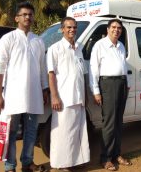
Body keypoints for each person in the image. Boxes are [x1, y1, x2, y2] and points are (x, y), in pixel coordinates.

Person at [0, 2, 48, 172]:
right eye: (24, 14)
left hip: (34, 95)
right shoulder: (8, 39)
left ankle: (27, 162)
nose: (27, 17)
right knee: (11, 131)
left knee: (31, 131)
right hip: (13, 96)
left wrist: (45, 89)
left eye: (30, 14)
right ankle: (10, 166)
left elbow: (42, 69)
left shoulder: (38, 40)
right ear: (16, 18)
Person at [47, 17, 90, 171]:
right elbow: (51, 74)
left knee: (78, 132)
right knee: (63, 133)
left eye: (74, 27)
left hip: (79, 98)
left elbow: (82, 73)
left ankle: (76, 161)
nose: (72, 30)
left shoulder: (79, 47)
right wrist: (54, 96)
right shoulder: (55, 49)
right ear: (62, 29)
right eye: (69, 27)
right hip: (64, 98)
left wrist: (85, 95)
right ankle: (62, 164)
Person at [89, 19, 132, 171]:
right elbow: (94, 69)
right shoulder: (99, 45)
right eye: (113, 27)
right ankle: (105, 158)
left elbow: (124, 66)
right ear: (107, 29)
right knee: (109, 123)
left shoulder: (121, 46)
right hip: (107, 85)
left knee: (119, 122)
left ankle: (116, 154)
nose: (116, 30)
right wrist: (96, 91)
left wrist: (127, 83)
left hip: (121, 84)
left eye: (119, 28)